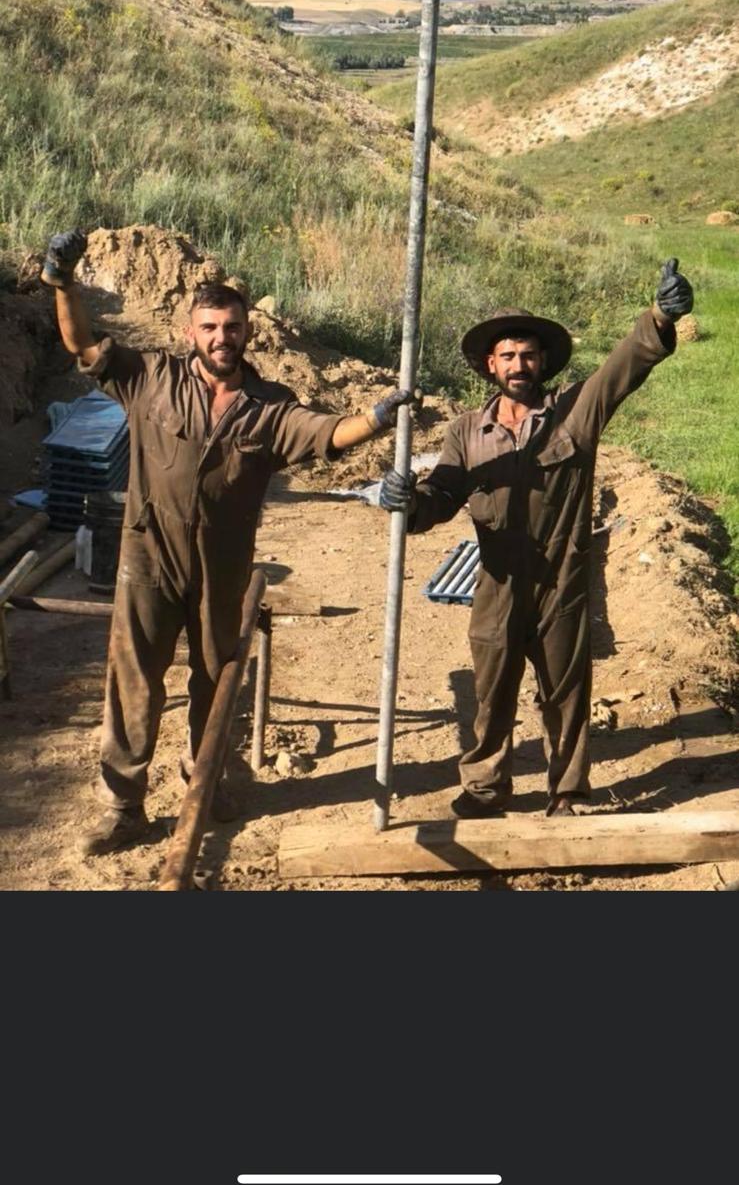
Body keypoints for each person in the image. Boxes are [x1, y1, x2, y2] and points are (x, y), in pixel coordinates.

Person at [43, 228, 413, 855]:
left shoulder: (270, 407)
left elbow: (326, 433)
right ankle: (123, 807)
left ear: (248, 332)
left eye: (233, 327)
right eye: (210, 327)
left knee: (216, 682)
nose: (222, 337)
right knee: (134, 681)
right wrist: (64, 282)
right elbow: (81, 343)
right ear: (191, 331)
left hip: (223, 567)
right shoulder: (149, 378)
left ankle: (206, 782)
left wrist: (379, 418)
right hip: (149, 557)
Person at [379, 259, 694, 819]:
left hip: (561, 581)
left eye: (528, 355)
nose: (519, 365)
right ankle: (486, 787)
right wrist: (410, 501)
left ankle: (566, 792)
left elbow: (621, 370)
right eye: (508, 357)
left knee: (565, 694)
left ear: (543, 361)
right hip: (497, 580)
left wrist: (659, 318)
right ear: (490, 365)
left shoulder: (575, 413)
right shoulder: (466, 431)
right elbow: (442, 495)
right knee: (491, 691)